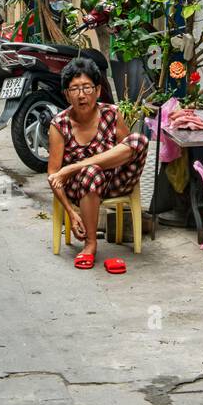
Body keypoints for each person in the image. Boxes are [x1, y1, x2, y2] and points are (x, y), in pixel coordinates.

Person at [47, 57, 149, 269]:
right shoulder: (59, 125)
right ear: (66, 94)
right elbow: (54, 176)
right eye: (74, 89)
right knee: (91, 172)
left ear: (98, 89)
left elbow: (127, 150)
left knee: (139, 140)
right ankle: (90, 243)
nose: (81, 94)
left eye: (86, 87)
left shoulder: (111, 113)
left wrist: (74, 165)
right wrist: (70, 212)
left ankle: (78, 167)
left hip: (115, 182)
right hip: (80, 187)